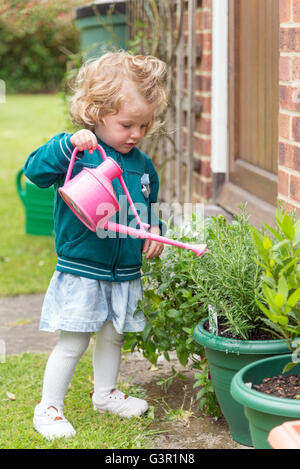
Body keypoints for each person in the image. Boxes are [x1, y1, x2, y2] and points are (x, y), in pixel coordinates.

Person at [24, 51, 167, 440]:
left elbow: (148, 209)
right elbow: (34, 172)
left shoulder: (142, 165)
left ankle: (105, 394)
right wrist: (68, 145)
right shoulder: (78, 152)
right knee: (74, 340)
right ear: (96, 111)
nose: (135, 134)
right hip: (83, 267)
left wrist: (155, 229)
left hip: (123, 270)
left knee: (113, 334)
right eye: (126, 124)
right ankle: (48, 407)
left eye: (143, 124)